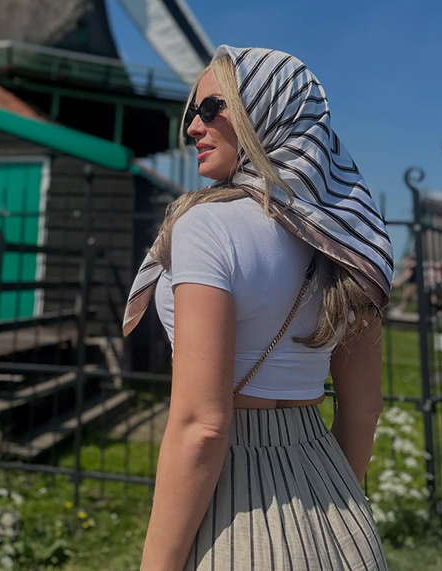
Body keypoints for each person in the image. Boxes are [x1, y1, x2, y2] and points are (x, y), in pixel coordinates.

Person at [123, 45, 393, 571]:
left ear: (265, 110)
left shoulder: (207, 227)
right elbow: (363, 409)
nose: (192, 129)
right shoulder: (349, 239)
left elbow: (202, 427)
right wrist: (333, 493)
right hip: (337, 501)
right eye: (189, 114)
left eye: (209, 109)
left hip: (237, 503)